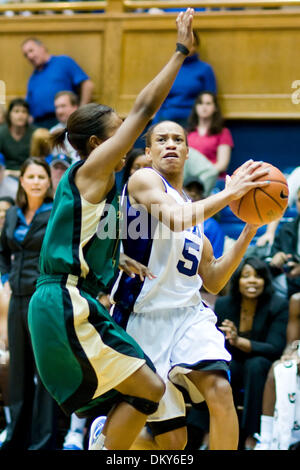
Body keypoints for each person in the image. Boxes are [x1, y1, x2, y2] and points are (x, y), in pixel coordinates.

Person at [27, 9, 197, 451]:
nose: (129, 136)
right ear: (100, 145)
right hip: (64, 301)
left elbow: (78, 234)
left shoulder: (98, 185)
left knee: (144, 390)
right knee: (150, 389)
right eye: (120, 132)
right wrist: (180, 53)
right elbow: (144, 108)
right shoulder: (93, 169)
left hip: (71, 299)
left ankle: (106, 447)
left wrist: (114, 256)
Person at [110, 119, 271, 451]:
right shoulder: (144, 180)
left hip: (187, 316)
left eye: (177, 139)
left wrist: (249, 230)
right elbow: (177, 218)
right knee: (174, 443)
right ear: (149, 151)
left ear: (187, 151)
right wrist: (230, 193)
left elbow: (213, 280)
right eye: (162, 139)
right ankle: (108, 441)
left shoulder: (196, 214)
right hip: (143, 320)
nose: (170, 143)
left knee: (220, 389)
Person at [0, 157, 57, 450]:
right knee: (19, 373)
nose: (36, 181)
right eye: (30, 176)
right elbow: (2, 250)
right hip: (17, 299)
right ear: (21, 180)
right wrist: (5, 276)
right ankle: (16, 438)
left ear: (49, 182)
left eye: (41, 176)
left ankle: (45, 440)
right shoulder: (11, 215)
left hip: (43, 300)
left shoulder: (56, 212)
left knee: (44, 372)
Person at [213, 257, 288, 449]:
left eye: (258, 276)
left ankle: (252, 436)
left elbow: (275, 348)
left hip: (262, 363)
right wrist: (228, 339)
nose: (252, 281)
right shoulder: (223, 305)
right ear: (238, 280)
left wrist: (239, 341)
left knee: (255, 365)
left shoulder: (277, 305)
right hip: (233, 361)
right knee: (214, 368)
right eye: (246, 276)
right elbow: (214, 344)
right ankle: (207, 433)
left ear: (266, 280)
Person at [254, 299, 300, 451]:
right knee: (278, 369)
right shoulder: (297, 300)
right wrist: (288, 355)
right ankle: (267, 439)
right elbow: (291, 343)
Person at [22, 38, 94, 128]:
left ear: (42, 47)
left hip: (62, 120)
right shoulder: (33, 78)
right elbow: (27, 103)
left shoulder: (63, 62)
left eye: (31, 50)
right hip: (38, 125)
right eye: (26, 55)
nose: (29, 56)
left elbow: (88, 85)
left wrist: (81, 113)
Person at [151, 30, 217, 128]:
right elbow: (161, 97)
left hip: (193, 120)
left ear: (197, 46)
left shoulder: (205, 69)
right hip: (167, 116)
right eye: (187, 44)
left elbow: (210, 98)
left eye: (193, 44)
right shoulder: (170, 68)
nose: (189, 48)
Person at [187, 91, 234, 179]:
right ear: (196, 107)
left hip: (214, 179)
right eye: (200, 103)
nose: (204, 107)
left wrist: (201, 174)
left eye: (208, 103)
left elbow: (222, 165)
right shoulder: (188, 133)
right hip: (190, 181)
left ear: (215, 108)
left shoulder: (223, 132)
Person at [268, 186, 300, 299]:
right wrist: (276, 258)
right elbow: (271, 258)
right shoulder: (287, 228)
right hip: (290, 285)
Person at [184, 180, 225, 258]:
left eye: (198, 192)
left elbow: (215, 259)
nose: (193, 194)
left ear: (203, 198)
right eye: (189, 190)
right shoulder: (168, 214)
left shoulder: (212, 226)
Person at [0, 98, 36, 177]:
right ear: (9, 115)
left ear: (28, 115)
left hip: (31, 174)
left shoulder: (35, 133)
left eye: (24, 111)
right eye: (16, 111)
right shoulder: (1, 132)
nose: (20, 115)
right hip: (6, 174)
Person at [50, 91, 80, 162]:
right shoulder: (53, 132)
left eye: (63, 106)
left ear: (75, 107)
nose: (59, 111)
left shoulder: (86, 128)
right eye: (57, 107)